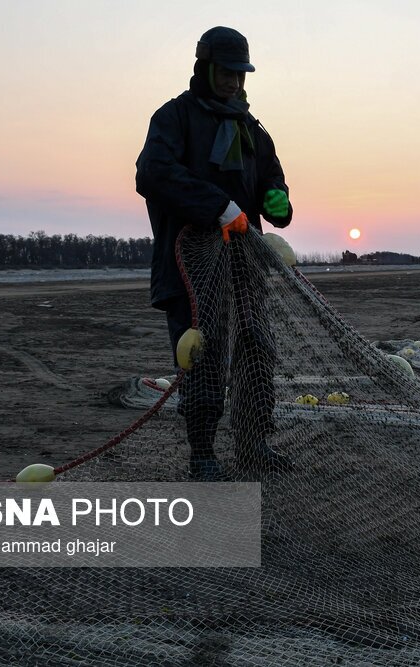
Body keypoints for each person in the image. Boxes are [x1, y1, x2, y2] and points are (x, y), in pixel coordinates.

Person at [136, 26, 293, 479]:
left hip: (244, 266)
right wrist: (219, 207)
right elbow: (154, 173)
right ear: (204, 67)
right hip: (190, 264)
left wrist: (277, 201)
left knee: (257, 349)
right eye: (226, 72)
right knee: (201, 356)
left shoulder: (253, 132)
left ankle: (254, 443)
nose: (235, 82)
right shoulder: (174, 118)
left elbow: (272, 182)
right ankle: (202, 453)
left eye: (242, 74)